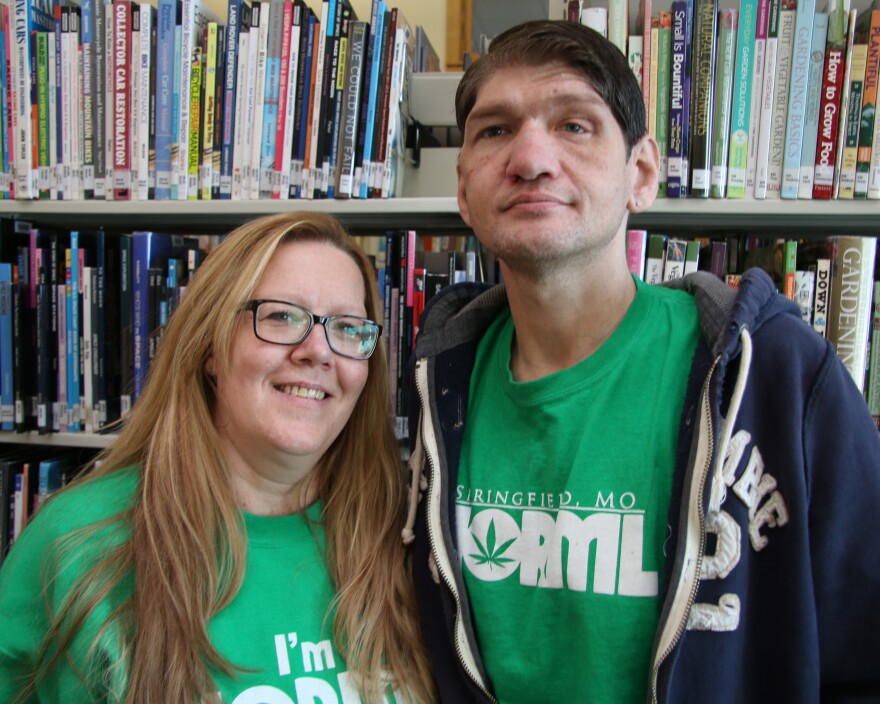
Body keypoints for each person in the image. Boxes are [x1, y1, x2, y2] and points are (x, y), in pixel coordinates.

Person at [404, 19, 880, 704]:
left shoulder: (774, 371)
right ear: (463, 191)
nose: (530, 158)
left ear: (642, 173)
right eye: (495, 130)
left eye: (575, 126)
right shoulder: (436, 386)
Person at [0, 212, 435, 704]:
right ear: (210, 346)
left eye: (348, 328)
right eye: (281, 316)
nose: (319, 352)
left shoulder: (400, 536)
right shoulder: (78, 543)